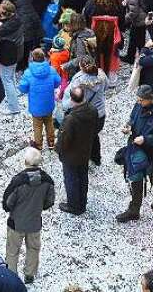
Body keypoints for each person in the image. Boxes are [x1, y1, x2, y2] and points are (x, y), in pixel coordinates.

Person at [116, 85, 153, 222]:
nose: (139, 102)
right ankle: (134, 210)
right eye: (138, 99)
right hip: (136, 148)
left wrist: (146, 139)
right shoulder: (138, 104)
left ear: (150, 99)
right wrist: (128, 126)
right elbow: (132, 118)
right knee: (136, 178)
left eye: (142, 100)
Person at [1, 147, 55, 283]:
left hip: (16, 223)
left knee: (12, 251)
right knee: (33, 248)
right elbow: (49, 202)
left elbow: (7, 203)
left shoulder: (18, 181)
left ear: (25, 161)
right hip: (35, 222)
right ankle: (30, 274)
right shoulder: (48, 181)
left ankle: (11, 276)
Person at [56, 85, 97, 215]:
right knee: (83, 177)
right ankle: (82, 203)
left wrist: (58, 149)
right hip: (85, 151)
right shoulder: (92, 110)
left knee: (71, 180)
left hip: (71, 155)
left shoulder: (71, 119)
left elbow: (64, 140)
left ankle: (74, 206)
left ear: (72, 100)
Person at [18, 48, 61, 151]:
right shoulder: (51, 70)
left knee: (37, 126)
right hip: (48, 103)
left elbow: (22, 88)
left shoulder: (28, 73)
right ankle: (51, 143)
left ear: (33, 58)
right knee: (49, 123)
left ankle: (39, 145)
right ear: (44, 57)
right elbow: (57, 82)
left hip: (36, 105)